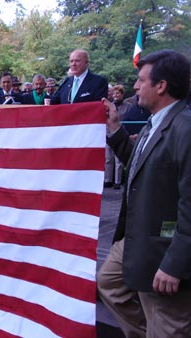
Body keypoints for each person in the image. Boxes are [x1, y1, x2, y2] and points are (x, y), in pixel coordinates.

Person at [98, 50, 191, 337]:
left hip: (165, 250)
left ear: (161, 86)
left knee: (166, 321)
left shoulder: (185, 128)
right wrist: (115, 129)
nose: (135, 86)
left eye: (141, 80)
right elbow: (141, 168)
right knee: (110, 283)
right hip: (139, 239)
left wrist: (174, 264)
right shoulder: (156, 121)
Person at [104, 84, 133, 189]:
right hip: (108, 133)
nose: (115, 95)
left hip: (121, 132)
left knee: (118, 160)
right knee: (108, 158)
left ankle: (118, 181)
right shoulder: (109, 105)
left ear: (122, 94)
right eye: (114, 93)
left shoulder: (129, 106)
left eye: (118, 93)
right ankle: (107, 180)